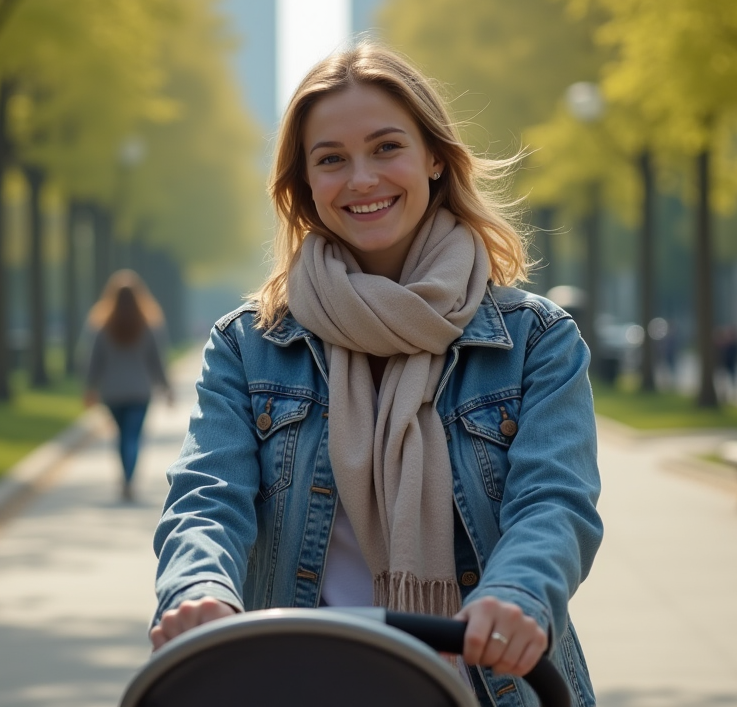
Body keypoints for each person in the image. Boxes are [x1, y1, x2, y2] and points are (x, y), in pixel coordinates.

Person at [150, 42, 602, 706]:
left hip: (487, 688)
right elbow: (207, 499)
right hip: (297, 685)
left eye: (386, 147)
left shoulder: (535, 340)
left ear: (435, 158)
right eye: (331, 159)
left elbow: (554, 503)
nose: (361, 178)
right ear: (305, 186)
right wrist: (198, 590)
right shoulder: (248, 346)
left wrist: (518, 592)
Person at [84, 270, 172, 501]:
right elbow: (157, 361)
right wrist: (166, 388)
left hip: (112, 392)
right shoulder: (148, 325)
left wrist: (90, 388)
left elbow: (94, 360)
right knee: (132, 436)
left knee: (122, 435)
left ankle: (126, 478)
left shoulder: (102, 326)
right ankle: (128, 480)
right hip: (140, 391)